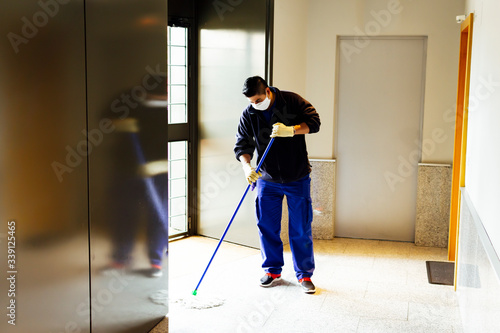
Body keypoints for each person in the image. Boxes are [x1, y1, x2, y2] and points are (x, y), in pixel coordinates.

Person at [234, 76, 321, 293]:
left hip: (297, 177)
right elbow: (242, 143)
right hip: (267, 179)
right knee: (266, 226)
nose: (255, 103)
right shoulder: (250, 113)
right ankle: (272, 270)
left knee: (300, 228)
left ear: (268, 91)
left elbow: (314, 123)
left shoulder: (291, 101)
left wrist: (291, 130)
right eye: (251, 101)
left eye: (258, 99)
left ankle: (304, 276)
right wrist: (247, 166)